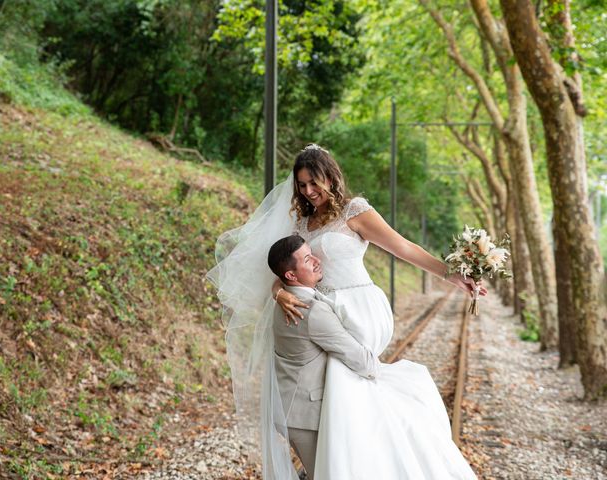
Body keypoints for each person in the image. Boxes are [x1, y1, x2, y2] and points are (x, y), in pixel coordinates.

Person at [207, 143, 484, 479]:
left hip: (357, 307)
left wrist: (451, 275)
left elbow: (403, 247)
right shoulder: (301, 222)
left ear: (330, 177)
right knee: (346, 395)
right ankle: (351, 461)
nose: (309, 192)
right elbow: (283, 271)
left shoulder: (355, 212)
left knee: (348, 381)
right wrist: (278, 292)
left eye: (314, 183)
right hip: (322, 310)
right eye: (302, 185)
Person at [268, 234, 380, 479]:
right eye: (308, 259)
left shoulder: (283, 300)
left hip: (290, 405)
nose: (317, 261)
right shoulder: (312, 311)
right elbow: (361, 361)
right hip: (303, 415)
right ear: (291, 275)